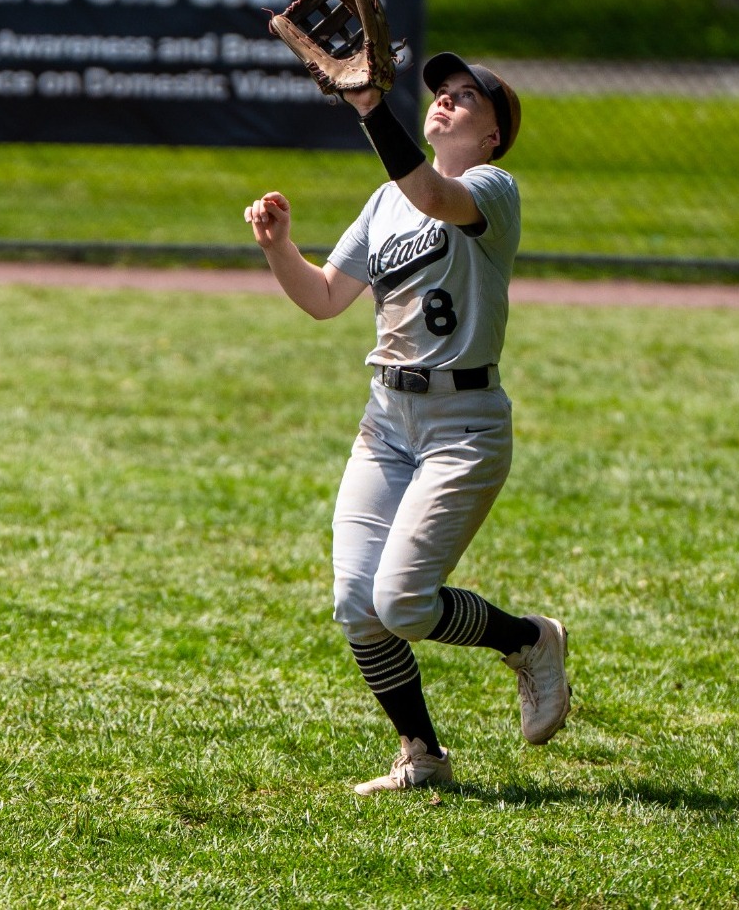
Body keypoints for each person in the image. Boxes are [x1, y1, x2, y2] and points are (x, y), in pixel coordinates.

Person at [242, 53, 571, 795]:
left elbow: (430, 192)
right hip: (385, 421)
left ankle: (528, 639)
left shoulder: (492, 190)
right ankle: (420, 754)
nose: (447, 103)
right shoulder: (384, 201)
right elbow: (326, 298)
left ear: (493, 138)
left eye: (467, 99)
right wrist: (279, 249)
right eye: (443, 94)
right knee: (358, 605)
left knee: (403, 603)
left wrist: (368, 108)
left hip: (463, 426)